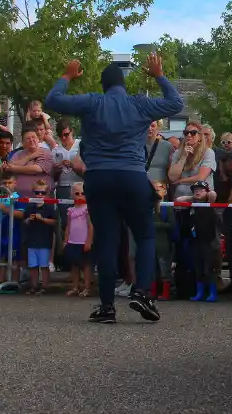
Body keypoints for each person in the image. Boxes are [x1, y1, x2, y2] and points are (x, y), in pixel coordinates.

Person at [44, 53, 184, 324]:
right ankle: (142, 292)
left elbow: (52, 100)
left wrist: (67, 76)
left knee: (106, 241)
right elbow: (176, 103)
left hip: (98, 178)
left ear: (103, 85)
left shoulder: (92, 101)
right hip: (131, 176)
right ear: (123, 84)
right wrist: (158, 75)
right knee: (144, 236)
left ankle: (107, 307)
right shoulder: (139, 104)